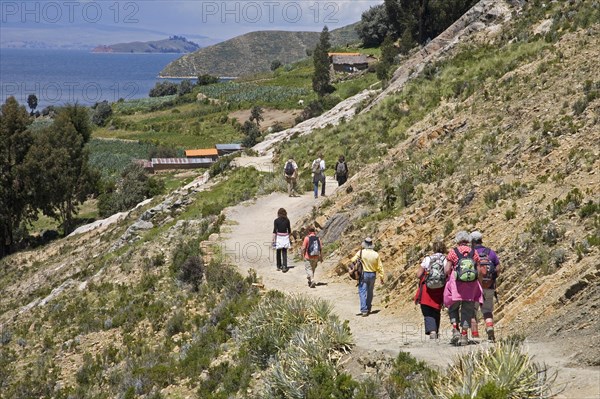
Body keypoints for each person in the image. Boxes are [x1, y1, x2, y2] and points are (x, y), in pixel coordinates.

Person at [444, 231, 484, 346]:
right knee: (467, 310)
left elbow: (447, 270)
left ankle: (455, 329)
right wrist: (479, 283)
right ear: (468, 240)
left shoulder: (453, 252)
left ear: (457, 240)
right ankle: (464, 335)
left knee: (453, 306)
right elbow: (479, 270)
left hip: (456, 284)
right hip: (471, 285)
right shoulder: (474, 252)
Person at [470, 230, 501, 342]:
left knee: (473, 311)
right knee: (487, 310)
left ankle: (475, 335)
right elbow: (498, 269)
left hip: (474, 287)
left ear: (472, 241)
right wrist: (492, 279)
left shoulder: (471, 253)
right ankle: (489, 328)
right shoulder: (490, 252)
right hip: (489, 286)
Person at [414, 240, 447, 340]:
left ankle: (432, 331)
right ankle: (435, 330)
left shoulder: (427, 259)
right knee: (436, 309)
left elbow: (419, 274)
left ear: (434, 248)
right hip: (440, 288)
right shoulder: (445, 259)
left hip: (427, 289)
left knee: (427, 309)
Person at [350, 237, 384, 316]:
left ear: (364, 244)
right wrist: (381, 277)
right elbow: (380, 266)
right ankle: (368, 308)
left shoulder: (361, 252)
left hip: (364, 274)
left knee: (362, 291)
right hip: (373, 274)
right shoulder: (376, 254)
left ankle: (364, 310)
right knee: (370, 291)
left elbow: (352, 260)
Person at [272, 208, 292, 272]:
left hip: (279, 237)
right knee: (284, 252)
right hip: (285, 237)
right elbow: (289, 230)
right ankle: (284, 266)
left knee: (278, 251)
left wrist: (273, 239)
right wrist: (288, 238)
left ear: (278, 213)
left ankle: (278, 266)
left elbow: (275, 230)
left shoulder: (276, 220)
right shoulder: (287, 220)